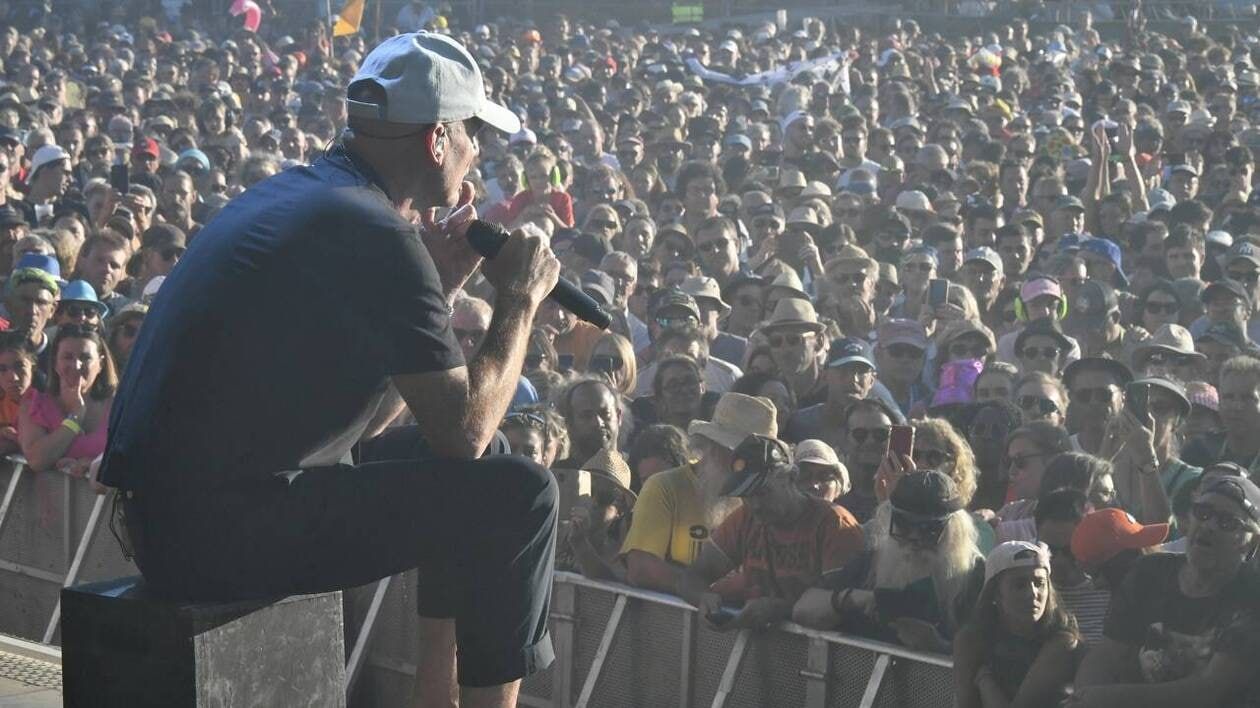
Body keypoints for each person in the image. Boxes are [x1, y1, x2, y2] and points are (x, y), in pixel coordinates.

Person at [99, 33, 561, 706]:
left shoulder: (307, 194)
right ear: (437, 141)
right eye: (473, 136)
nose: (477, 155)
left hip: (177, 521)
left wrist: (443, 288)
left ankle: (440, 697)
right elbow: (464, 432)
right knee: (521, 493)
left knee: (495, 467)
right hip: (220, 534)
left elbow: (376, 426)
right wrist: (518, 299)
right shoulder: (377, 233)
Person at [1072, 477, 1260, 707]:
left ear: (1251, 543)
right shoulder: (1150, 571)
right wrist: (1084, 696)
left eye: (1227, 522)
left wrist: (1105, 698)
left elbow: (1209, 691)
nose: (1209, 525)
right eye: (1202, 512)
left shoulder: (1252, 596)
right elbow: (1107, 655)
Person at [676, 434, 864, 631]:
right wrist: (703, 597)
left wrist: (781, 609)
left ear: (792, 478)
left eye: (763, 493)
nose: (755, 505)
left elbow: (840, 605)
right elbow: (693, 576)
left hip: (826, 652)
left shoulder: (834, 525)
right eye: (746, 495)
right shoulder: (746, 518)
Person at [792, 470, 985, 653]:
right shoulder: (871, 562)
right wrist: (851, 599)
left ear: (954, 531)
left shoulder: (974, 576)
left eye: (929, 530)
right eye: (904, 525)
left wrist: (938, 646)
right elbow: (802, 610)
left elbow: (987, 655)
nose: (914, 538)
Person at [619, 392, 776, 593]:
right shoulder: (666, 486)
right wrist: (707, 593)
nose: (744, 465)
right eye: (737, 453)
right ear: (711, 445)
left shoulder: (769, 503)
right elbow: (642, 567)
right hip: (671, 620)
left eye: (754, 460)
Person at [953, 541, 1080, 708]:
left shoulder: (1063, 642)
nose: (1033, 593)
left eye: (1039, 583)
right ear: (995, 593)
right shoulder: (972, 639)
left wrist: (986, 682)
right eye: (1019, 585)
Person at [19, 324, 116, 477]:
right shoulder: (35, 404)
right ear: (55, 363)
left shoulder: (119, 407)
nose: (76, 365)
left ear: (101, 364)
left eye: (85, 358)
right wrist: (76, 416)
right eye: (67, 357)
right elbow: (37, 461)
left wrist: (95, 464)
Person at [0, 332, 34, 456]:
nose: (13, 377)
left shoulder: (50, 402)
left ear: (33, 365)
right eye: (2, 369)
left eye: (19, 366)